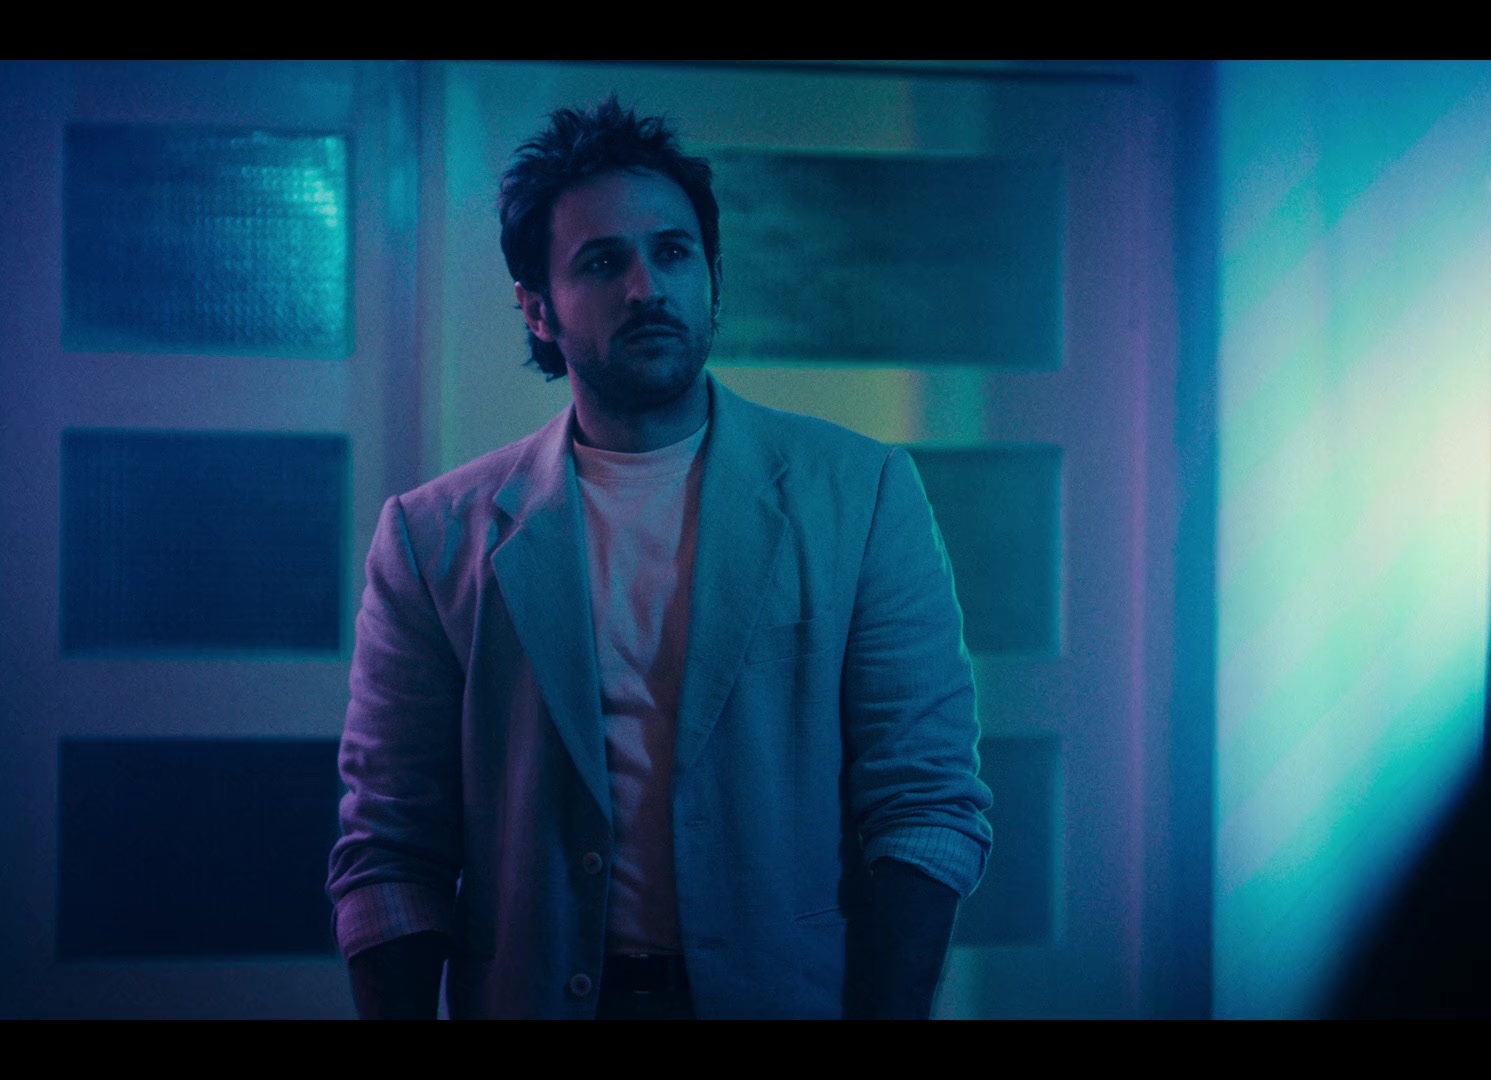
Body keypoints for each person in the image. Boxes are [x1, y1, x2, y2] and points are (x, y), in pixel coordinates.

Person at [326, 97, 992, 1020]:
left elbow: (924, 802)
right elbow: (392, 848)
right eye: (603, 262)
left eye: (672, 252)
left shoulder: (861, 493)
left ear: (712, 275)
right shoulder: (432, 536)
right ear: (537, 308)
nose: (647, 287)